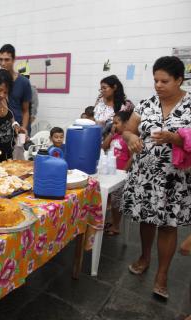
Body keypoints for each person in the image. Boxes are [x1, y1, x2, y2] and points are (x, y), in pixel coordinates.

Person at [122, 56, 191, 299]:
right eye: (155, 80)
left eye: (165, 81)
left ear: (179, 80)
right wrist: (130, 138)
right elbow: (128, 129)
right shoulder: (146, 104)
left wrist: (175, 139)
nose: (158, 85)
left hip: (175, 178)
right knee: (147, 220)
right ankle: (144, 256)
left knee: (168, 225)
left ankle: (162, 275)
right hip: (146, 175)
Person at [102, 111, 133, 236]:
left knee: (116, 202)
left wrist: (124, 171)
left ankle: (116, 226)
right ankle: (111, 221)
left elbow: (132, 157)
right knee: (110, 198)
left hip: (121, 175)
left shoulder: (129, 138)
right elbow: (104, 147)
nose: (114, 125)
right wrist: (111, 134)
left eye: (117, 123)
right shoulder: (114, 136)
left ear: (126, 124)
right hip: (111, 173)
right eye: (113, 123)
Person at [0, 44, 31, 133]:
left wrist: (23, 128)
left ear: (13, 60)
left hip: (17, 129)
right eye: (0, 59)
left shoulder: (24, 82)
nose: (3, 63)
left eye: (6, 60)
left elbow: (26, 110)